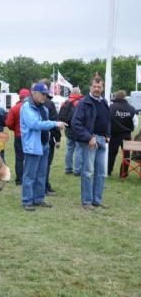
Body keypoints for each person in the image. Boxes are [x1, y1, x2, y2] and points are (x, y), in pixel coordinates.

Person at [20, 83, 66, 211]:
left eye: (46, 94)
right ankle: (27, 201)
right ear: (33, 93)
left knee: (41, 174)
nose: (44, 97)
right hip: (33, 146)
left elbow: (45, 124)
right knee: (30, 175)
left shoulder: (44, 108)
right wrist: (55, 123)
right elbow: (34, 124)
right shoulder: (27, 107)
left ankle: (38, 199)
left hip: (44, 144)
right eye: (42, 94)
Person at [71, 74, 111, 211]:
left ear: (103, 87)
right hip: (90, 140)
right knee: (88, 172)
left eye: (99, 87)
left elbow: (108, 120)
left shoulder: (104, 102)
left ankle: (97, 200)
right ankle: (87, 201)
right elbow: (75, 123)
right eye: (95, 86)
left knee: (100, 172)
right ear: (90, 87)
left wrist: (108, 134)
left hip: (102, 140)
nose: (97, 89)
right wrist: (89, 137)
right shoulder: (84, 103)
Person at [108, 90, 138, 177]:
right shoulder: (131, 108)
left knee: (111, 153)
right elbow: (135, 122)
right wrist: (129, 129)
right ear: (124, 97)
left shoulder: (111, 107)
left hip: (114, 134)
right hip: (126, 134)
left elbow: (107, 121)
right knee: (126, 155)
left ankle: (108, 171)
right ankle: (123, 174)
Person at [40, 79, 61, 196]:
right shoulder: (49, 103)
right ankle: (44, 186)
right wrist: (57, 139)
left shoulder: (31, 102)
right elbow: (55, 123)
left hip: (36, 137)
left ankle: (42, 186)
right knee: (46, 163)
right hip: (47, 138)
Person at [5, 88, 30, 185]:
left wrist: (14, 129)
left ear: (20, 97)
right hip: (29, 136)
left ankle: (19, 179)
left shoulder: (14, 108)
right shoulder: (32, 107)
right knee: (29, 157)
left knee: (19, 158)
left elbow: (9, 123)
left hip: (19, 135)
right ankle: (28, 177)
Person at [58, 87, 83, 176]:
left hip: (68, 128)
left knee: (69, 149)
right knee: (79, 149)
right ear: (79, 93)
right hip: (78, 129)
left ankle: (68, 168)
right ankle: (77, 170)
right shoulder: (80, 103)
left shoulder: (65, 102)